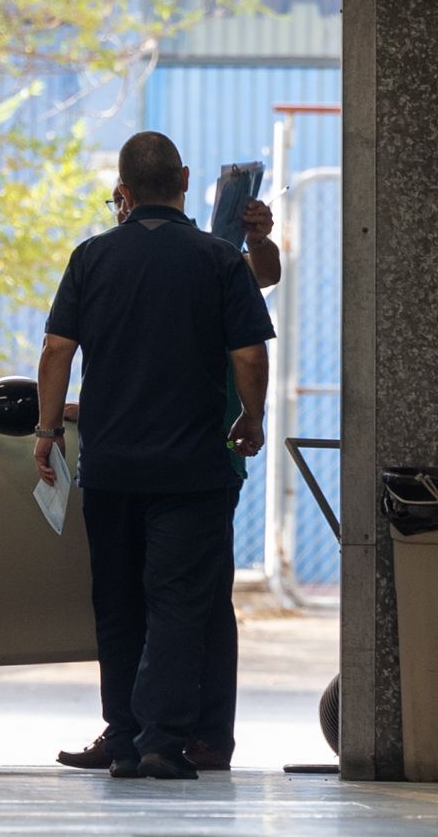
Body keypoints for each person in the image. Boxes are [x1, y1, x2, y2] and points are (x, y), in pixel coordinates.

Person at [35, 131, 274, 781]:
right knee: (176, 601)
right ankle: (162, 743)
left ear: (124, 190)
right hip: (193, 470)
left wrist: (46, 430)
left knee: (116, 603)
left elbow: (58, 349)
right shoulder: (216, 260)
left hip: (111, 467)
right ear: (187, 179)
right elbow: (250, 354)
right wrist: (250, 417)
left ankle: (125, 733)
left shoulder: (91, 257)